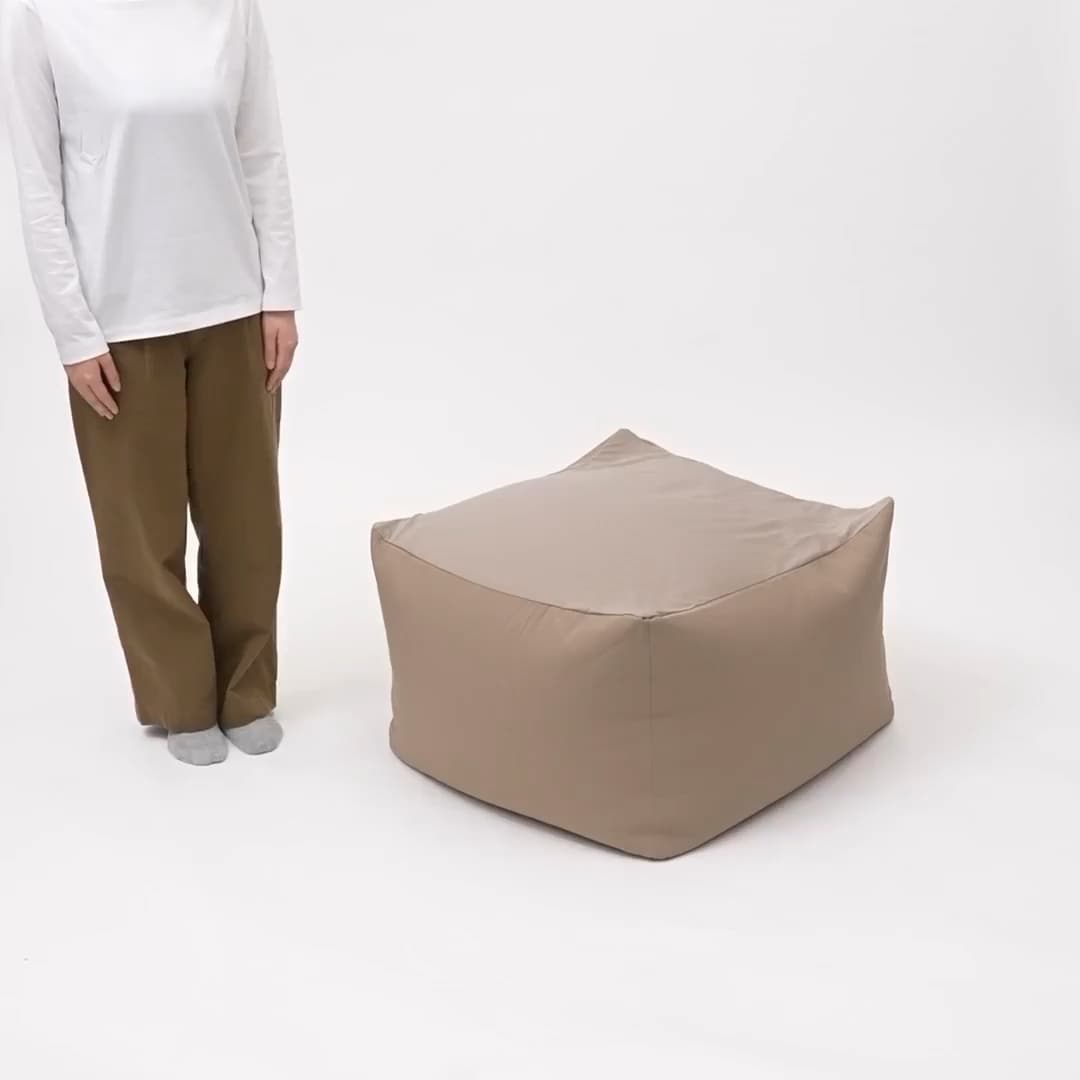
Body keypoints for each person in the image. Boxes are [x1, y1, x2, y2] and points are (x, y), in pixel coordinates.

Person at [2, 0, 301, 766]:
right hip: (119, 321)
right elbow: (37, 186)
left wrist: (280, 295)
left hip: (234, 305)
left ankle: (245, 690)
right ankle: (181, 699)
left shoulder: (229, 10)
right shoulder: (44, 17)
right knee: (140, 534)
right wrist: (73, 332)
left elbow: (262, 152)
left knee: (247, 523)